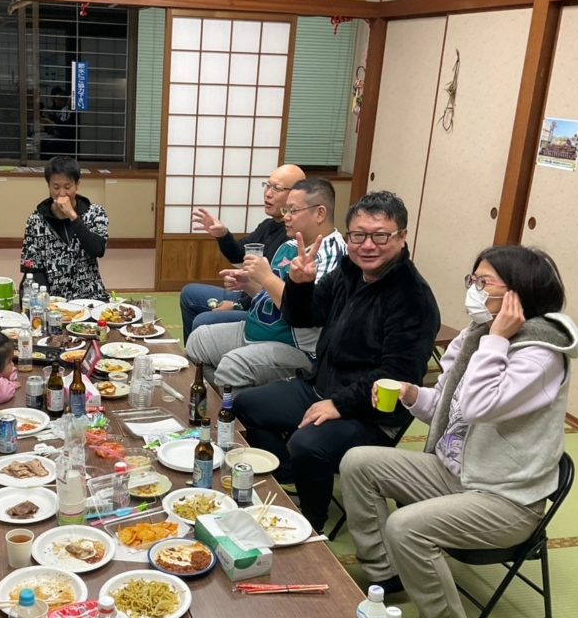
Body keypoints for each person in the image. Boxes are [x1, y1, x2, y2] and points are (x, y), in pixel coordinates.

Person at [340, 247, 578, 618]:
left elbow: (478, 406)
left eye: (484, 282)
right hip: (456, 471)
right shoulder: (477, 336)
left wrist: (496, 340)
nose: (474, 290)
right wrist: (412, 394)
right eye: (473, 280)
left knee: (405, 526)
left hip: (506, 499)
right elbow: (448, 407)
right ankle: (387, 573)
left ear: (518, 294)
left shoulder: (540, 353)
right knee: (358, 462)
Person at [233, 191, 440, 533]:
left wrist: (339, 404)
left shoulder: (412, 297)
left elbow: (397, 375)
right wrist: (299, 284)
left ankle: (312, 522)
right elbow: (305, 317)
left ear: (402, 237)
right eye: (358, 236)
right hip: (321, 387)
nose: (367, 246)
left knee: (307, 443)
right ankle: (292, 475)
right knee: (245, 405)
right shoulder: (349, 270)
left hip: (372, 413)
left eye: (380, 236)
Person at [185, 178, 346, 390]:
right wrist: (249, 285)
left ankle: (236, 404)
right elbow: (271, 296)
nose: (286, 217)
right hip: (255, 331)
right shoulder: (289, 245)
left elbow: (304, 314)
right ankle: (229, 398)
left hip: (294, 348)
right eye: (286, 210)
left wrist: (267, 277)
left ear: (320, 213)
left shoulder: (332, 253)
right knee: (197, 341)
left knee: (232, 366)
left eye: (293, 211)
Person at [179, 164, 305, 341]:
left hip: (265, 309)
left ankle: (202, 354)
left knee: (203, 321)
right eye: (267, 185)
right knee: (189, 293)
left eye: (277, 188)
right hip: (247, 293)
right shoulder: (268, 226)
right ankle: (193, 356)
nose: (268, 193)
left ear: (296, 195)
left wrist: (237, 305)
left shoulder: (294, 237)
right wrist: (223, 235)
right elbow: (240, 255)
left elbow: (280, 294)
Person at [20, 156, 109, 300]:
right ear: (48, 186)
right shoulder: (36, 220)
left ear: (77, 185)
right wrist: (45, 300)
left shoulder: (95, 213)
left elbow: (98, 250)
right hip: (54, 299)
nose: (62, 193)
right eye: (56, 187)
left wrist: (73, 216)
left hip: (91, 297)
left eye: (67, 187)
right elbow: (33, 268)